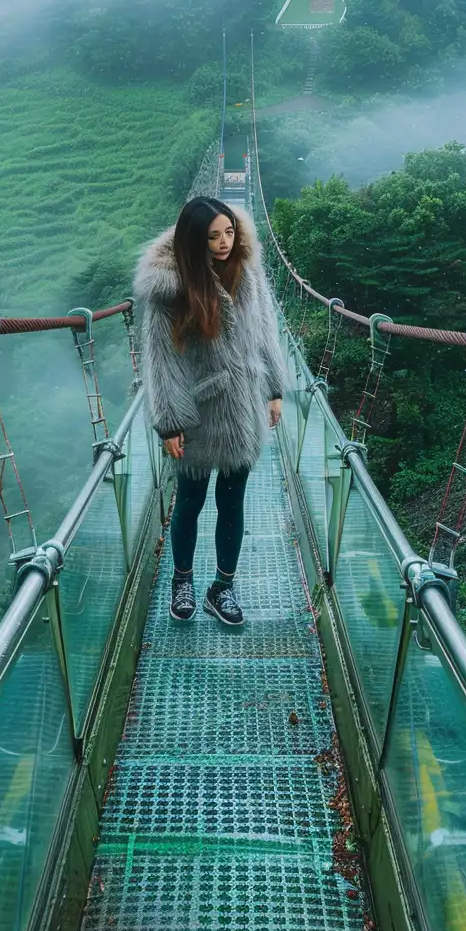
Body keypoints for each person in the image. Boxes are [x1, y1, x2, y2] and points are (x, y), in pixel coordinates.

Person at [135, 197, 287, 628]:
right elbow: (162, 359)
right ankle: (181, 581)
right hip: (198, 411)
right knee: (189, 503)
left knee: (232, 502)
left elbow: (266, 333)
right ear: (192, 241)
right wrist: (170, 421)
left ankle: (223, 587)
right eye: (213, 236)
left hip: (244, 408)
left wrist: (275, 389)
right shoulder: (171, 288)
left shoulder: (248, 274)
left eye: (229, 232)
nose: (224, 243)